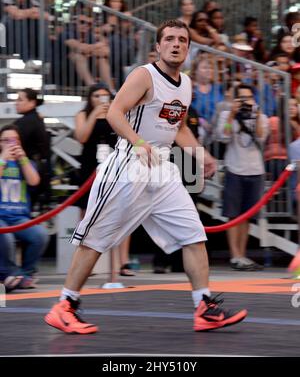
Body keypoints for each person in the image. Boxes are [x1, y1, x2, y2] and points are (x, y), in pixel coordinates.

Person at [44, 19, 247, 334]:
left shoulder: (187, 83)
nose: (176, 44)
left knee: (194, 234)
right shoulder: (144, 75)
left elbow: (178, 127)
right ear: (158, 45)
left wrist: (200, 153)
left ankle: (203, 306)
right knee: (95, 238)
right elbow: (114, 112)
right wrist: (138, 143)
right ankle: (64, 304)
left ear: (189, 48)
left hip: (162, 168)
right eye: (169, 39)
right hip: (128, 165)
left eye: (182, 39)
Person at [74, 83, 134, 276]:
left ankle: (123, 262)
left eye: (105, 96)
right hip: (90, 166)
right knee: (87, 213)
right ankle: (85, 263)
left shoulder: (117, 114)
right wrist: (95, 114)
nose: (101, 99)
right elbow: (81, 136)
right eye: (97, 96)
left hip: (114, 165)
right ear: (90, 98)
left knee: (123, 212)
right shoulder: (83, 114)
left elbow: (125, 135)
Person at [217, 84, 269, 271]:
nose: (246, 102)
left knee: (247, 216)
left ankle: (243, 254)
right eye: (242, 98)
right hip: (234, 168)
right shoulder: (226, 115)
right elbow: (223, 136)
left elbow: (262, 137)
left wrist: (256, 117)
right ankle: (234, 255)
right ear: (235, 100)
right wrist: (232, 115)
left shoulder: (260, 116)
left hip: (255, 169)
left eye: (249, 98)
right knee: (233, 214)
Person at [0, 125, 48, 292]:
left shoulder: (25, 162)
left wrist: (23, 159)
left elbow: (34, 181)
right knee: (6, 238)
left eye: (14, 140)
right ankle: (9, 273)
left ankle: (25, 274)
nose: (10, 144)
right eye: (5, 140)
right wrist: (3, 159)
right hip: (1, 217)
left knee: (40, 235)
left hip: (20, 217)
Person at [14, 88, 51, 210]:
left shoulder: (26, 122)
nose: (16, 102)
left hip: (29, 171)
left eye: (20, 99)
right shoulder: (36, 119)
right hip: (39, 171)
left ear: (32, 103)